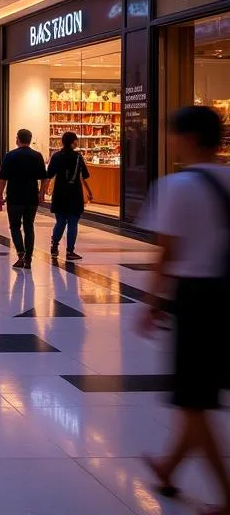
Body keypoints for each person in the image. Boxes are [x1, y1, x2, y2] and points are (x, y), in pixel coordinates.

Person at [138, 106, 230, 509]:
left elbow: (168, 253)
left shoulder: (176, 186)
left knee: (194, 400)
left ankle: (227, 496)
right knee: (199, 391)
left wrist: (152, 302)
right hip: (225, 294)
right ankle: (167, 469)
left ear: (188, 137)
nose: (169, 140)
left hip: (197, 299)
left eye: (172, 134)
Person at [0, 129, 48, 270]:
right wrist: (42, 193)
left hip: (14, 197)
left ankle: (21, 254)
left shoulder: (10, 156)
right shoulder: (37, 156)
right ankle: (28, 258)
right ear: (30, 139)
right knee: (29, 226)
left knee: (15, 226)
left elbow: (2, 179)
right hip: (31, 197)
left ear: (17, 139)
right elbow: (44, 178)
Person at [44, 131, 95, 260]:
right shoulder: (78, 157)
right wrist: (89, 192)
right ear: (73, 142)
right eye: (76, 140)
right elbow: (84, 177)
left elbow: (49, 176)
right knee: (73, 223)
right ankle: (70, 251)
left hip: (60, 193)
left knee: (60, 221)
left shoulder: (56, 156)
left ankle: (54, 246)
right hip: (74, 194)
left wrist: (43, 191)